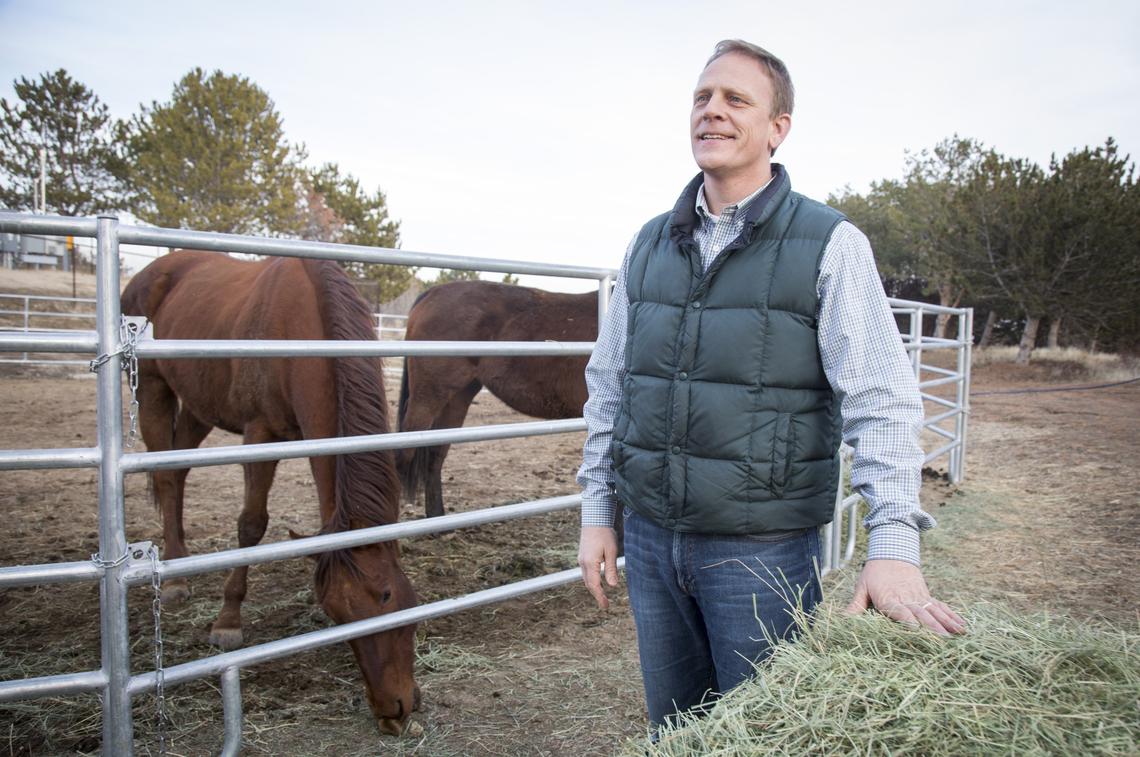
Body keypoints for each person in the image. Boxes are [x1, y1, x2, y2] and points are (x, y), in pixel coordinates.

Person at [576, 39, 966, 732]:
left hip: (760, 551)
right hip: (655, 541)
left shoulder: (829, 242)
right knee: (677, 731)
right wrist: (597, 510)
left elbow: (881, 396)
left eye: (735, 99)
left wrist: (894, 544)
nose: (712, 111)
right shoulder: (647, 244)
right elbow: (610, 384)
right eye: (701, 97)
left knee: (765, 734)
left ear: (777, 127)